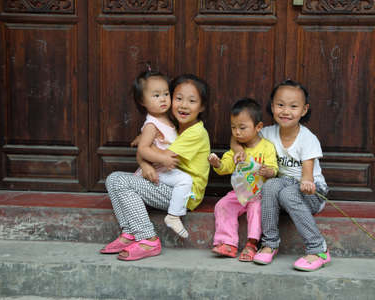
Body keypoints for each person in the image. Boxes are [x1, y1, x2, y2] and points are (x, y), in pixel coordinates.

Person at [100, 73, 210, 261]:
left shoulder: (196, 133)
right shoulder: (173, 123)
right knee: (112, 180)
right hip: (168, 184)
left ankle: (148, 238)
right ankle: (129, 233)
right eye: (178, 98)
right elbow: (150, 150)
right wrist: (144, 155)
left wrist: (143, 154)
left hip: (184, 194)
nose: (183, 105)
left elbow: (160, 156)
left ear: (202, 107)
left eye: (191, 101)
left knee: (119, 180)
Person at [233, 80, 330, 271]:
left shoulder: (307, 138)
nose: (286, 111)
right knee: (269, 186)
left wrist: (307, 182)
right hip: (284, 185)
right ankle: (270, 243)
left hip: (311, 191)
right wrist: (238, 149)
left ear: (304, 110)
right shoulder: (268, 133)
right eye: (280, 105)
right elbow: (239, 133)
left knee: (287, 193)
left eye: (293, 106)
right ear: (272, 107)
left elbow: (308, 173)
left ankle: (318, 249)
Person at [209, 98, 278, 262]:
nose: (237, 132)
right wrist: (218, 164)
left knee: (256, 210)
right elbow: (226, 166)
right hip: (240, 192)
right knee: (223, 205)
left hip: (259, 193)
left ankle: (252, 243)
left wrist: (268, 171)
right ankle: (228, 242)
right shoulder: (237, 149)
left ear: (258, 127)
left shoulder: (267, 146)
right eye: (233, 127)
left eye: (242, 128)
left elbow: (274, 168)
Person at [128, 67, 192, 238]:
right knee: (185, 180)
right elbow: (142, 149)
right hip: (158, 170)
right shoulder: (151, 125)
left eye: (165, 94)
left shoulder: (168, 118)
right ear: (142, 101)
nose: (163, 99)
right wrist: (162, 157)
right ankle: (174, 215)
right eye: (156, 96)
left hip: (164, 170)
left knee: (184, 180)